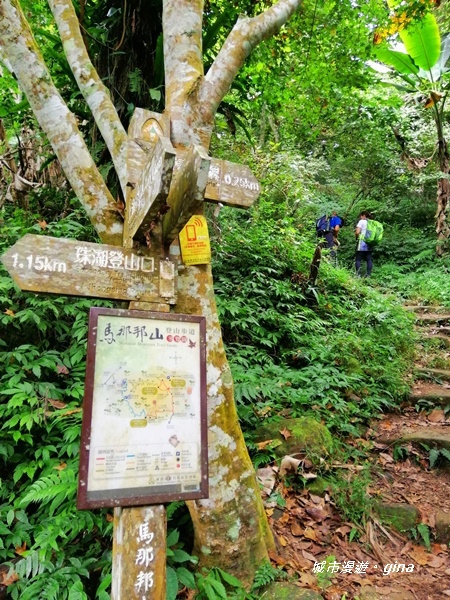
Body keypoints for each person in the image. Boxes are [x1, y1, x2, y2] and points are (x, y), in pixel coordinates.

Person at [355, 211, 372, 277]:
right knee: (369, 259)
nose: (360, 217)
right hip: (370, 242)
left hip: (362, 242)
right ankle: (368, 275)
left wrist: (356, 238)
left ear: (363, 215)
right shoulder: (371, 222)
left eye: (360, 216)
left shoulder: (361, 221)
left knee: (358, 259)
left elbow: (357, 232)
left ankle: (358, 275)